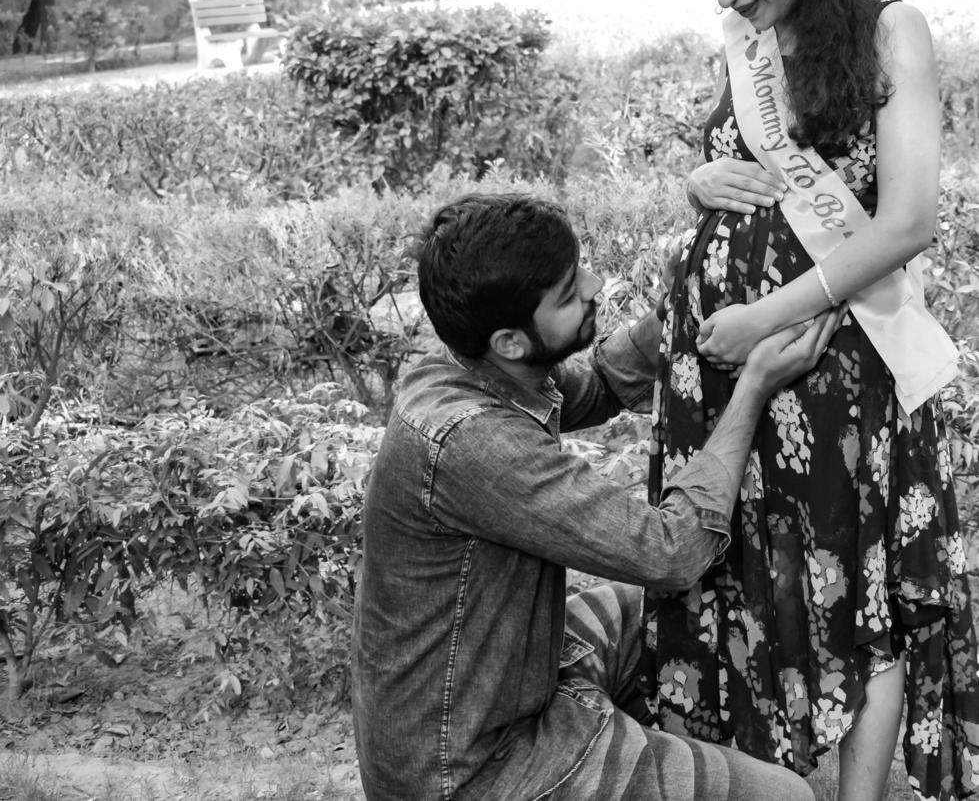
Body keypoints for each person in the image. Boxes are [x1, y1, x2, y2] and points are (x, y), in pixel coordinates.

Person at [639, 0, 979, 801]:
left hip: (834, 370)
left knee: (851, 602)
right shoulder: (747, 43)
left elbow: (907, 217)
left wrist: (760, 318)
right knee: (756, 595)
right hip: (729, 382)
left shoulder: (888, 32)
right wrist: (697, 179)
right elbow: (735, 177)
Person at [351, 192, 839, 800]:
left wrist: (676, 312)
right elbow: (668, 550)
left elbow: (601, 382)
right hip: (473, 767)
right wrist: (755, 388)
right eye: (567, 292)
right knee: (786, 797)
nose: (595, 285)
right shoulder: (473, 442)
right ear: (510, 341)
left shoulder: (470, 372)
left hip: (512, 679)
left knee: (681, 607)